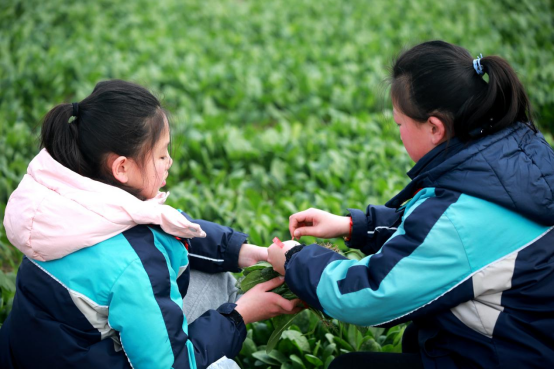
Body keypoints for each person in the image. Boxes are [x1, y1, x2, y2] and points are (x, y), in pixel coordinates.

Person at [268, 40, 554, 369]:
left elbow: (370, 294)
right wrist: (354, 227)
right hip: (527, 342)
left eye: (400, 124)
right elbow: (435, 233)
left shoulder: (461, 216)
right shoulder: (515, 154)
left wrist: (293, 260)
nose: (399, 134)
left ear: (435, 127)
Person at [0, 80, 302, 369]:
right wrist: (241, 315)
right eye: (161, 154)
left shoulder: (60, 201)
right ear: (121, 168)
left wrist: (248, 251)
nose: (169, 161)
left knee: (216, 277)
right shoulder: (135, 261)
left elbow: (170, 226)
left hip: (23, 355)